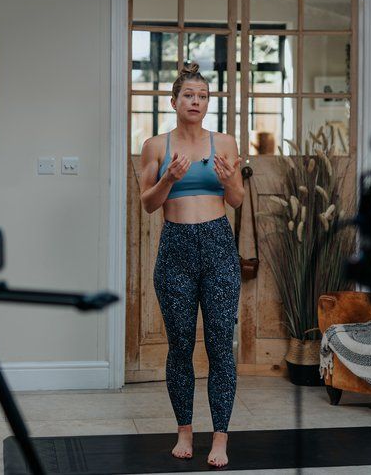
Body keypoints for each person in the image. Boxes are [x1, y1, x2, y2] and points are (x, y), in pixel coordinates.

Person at [138, 62, 243, 468]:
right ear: (174, 101)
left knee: (219, 347)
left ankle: (220, 437)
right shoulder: (156, 147)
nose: (195, 101)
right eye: (188, 95)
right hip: (175, 249)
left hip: (217, 245)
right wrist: (168, 179)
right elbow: (148, 204)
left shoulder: (226, 144)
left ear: (208, 102)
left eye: (202, 96)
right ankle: (184, 430)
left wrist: (229, 178)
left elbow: (235, 200)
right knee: (180, 346)